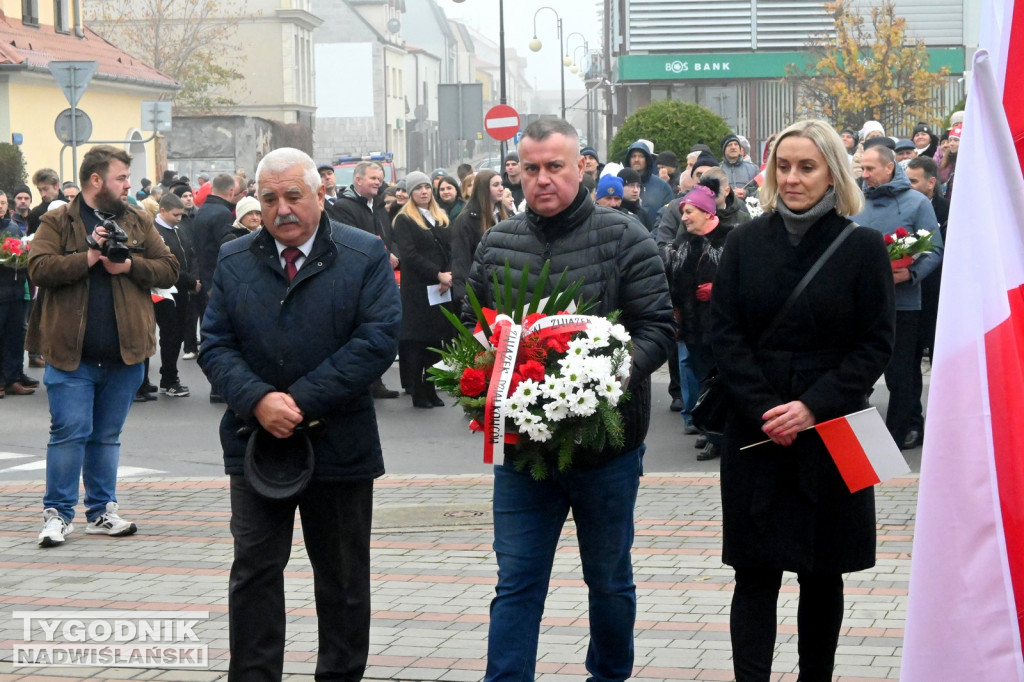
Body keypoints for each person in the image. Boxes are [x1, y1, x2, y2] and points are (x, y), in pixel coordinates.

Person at [465, 117, 674, 682]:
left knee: (607, 580)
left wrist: (604, 380)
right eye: (529, 168)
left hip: (606, 448)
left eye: (554, 166)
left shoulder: (625, 235)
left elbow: (657, 326)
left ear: (580, 166)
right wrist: (481, 380)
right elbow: (473, 327)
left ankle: (609, 675)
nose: (541, 179)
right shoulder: (496, 242)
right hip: (523, 453)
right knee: (516, 582)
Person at [198, 147, 399, 681]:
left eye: (293, 196)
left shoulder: (365, 253)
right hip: (255, 443)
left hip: (340, 445)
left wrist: (301, 401)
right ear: (256, 202)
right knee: (254, 577)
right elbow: (214, 344)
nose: (283, 209)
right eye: (269, 198)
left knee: (343, 582)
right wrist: (259, 400)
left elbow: (377, 340)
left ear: (319, 195)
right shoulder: (234, 258)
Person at [710, 119, 895, 682]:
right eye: (783, 166)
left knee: (824, 572)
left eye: (806, 167)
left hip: (835, 425)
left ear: (833, 173)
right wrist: (768, 407)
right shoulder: (743, 240)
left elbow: (876, 344)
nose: (792, 178)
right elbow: (724, 333)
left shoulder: (862, 246)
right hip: (754, 423)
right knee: (754, 571)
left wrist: (812, 406)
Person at [28, 145, 179, 547]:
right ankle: (58, 515)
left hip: (125, 352)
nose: (129, 185)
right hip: (70, 352)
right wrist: (88, 256)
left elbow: (169, 267)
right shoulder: (59, 219)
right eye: (121, 178)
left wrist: (128, 265)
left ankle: (101, 512)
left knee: (107, 436)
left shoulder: (138, 219)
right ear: (96, 180)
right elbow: (38, 267)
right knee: (69, 433)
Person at [854, 145, 942, 450]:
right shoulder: (855, 201)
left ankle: (896, 436)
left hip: (903, 304)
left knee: (900, 376)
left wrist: (911, 273)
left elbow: (933, 248)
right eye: (862, 168)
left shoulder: (917, 202)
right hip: (859, 304)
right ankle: (858, 437)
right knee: (855, 372)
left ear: (890, 167)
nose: (864, 175)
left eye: (870, 169)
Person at [664, 180, 732, 460]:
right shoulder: (682, 245)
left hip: (723, 329)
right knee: (704, 380)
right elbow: (672, 282)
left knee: (721, 382)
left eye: (689, 211)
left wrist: (719, 290)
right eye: (683, 212)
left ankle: (719, 437)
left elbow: (748, 281)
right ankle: (709, 429)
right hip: (692, 330)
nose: (684, 218)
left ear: (707, 213)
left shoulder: (730, 240)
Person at [391, 171, 454, 408]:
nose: (424, 191)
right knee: (418, 340)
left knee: (436, 339)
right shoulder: (404, 219)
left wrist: (447, 275)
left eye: (427, 187)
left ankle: (430, 387)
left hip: (441, 286)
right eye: (418, 188)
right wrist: (436, 274)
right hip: (418, 288)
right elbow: (410, 255)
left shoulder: (439, 216)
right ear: (410, 193)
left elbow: (449, 249)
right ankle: (418, 390)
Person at [152, 192, 200, 397]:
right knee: (168, 337)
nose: (180, 218)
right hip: (162, 292)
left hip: (182, 292)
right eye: (176, 214)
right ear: (162, 210)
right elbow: (165, 265)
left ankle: (169, 377)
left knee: (176, 336)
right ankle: (167, 380)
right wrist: (189, 281)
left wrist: (194, 279)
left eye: (181, 215)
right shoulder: (154, 233)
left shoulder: (179, 230)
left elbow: (191, 255)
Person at [450, 169, 507, 306]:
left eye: (501, 184)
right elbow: (461, 258)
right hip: (481, 287)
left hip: (503, 286)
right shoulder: (466, 219)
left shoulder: (504, 214)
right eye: (495, 185)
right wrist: (463, 292)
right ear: (483, 189)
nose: (501, 189)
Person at [0, 190, 37, 398]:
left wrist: (24, 254)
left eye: (3, 203)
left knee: (14, 338)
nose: (1, 206)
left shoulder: (13, 227)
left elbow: (19, 254)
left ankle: (13, 378)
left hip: (16, 291)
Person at [623, 139, 674, 226]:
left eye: (641, 156)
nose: (636, 159)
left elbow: (669, 215)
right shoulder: (620, 183)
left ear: (647, 159)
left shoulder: (662, 186)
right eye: (633, 156)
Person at [720, 134, 759, 200]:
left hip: (747, 209)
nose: (733, 147)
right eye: (729, 145)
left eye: (736, 144)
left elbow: (761, 190)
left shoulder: (753, 169)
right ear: (724, 149)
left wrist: (746, 193)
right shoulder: (717, 169)